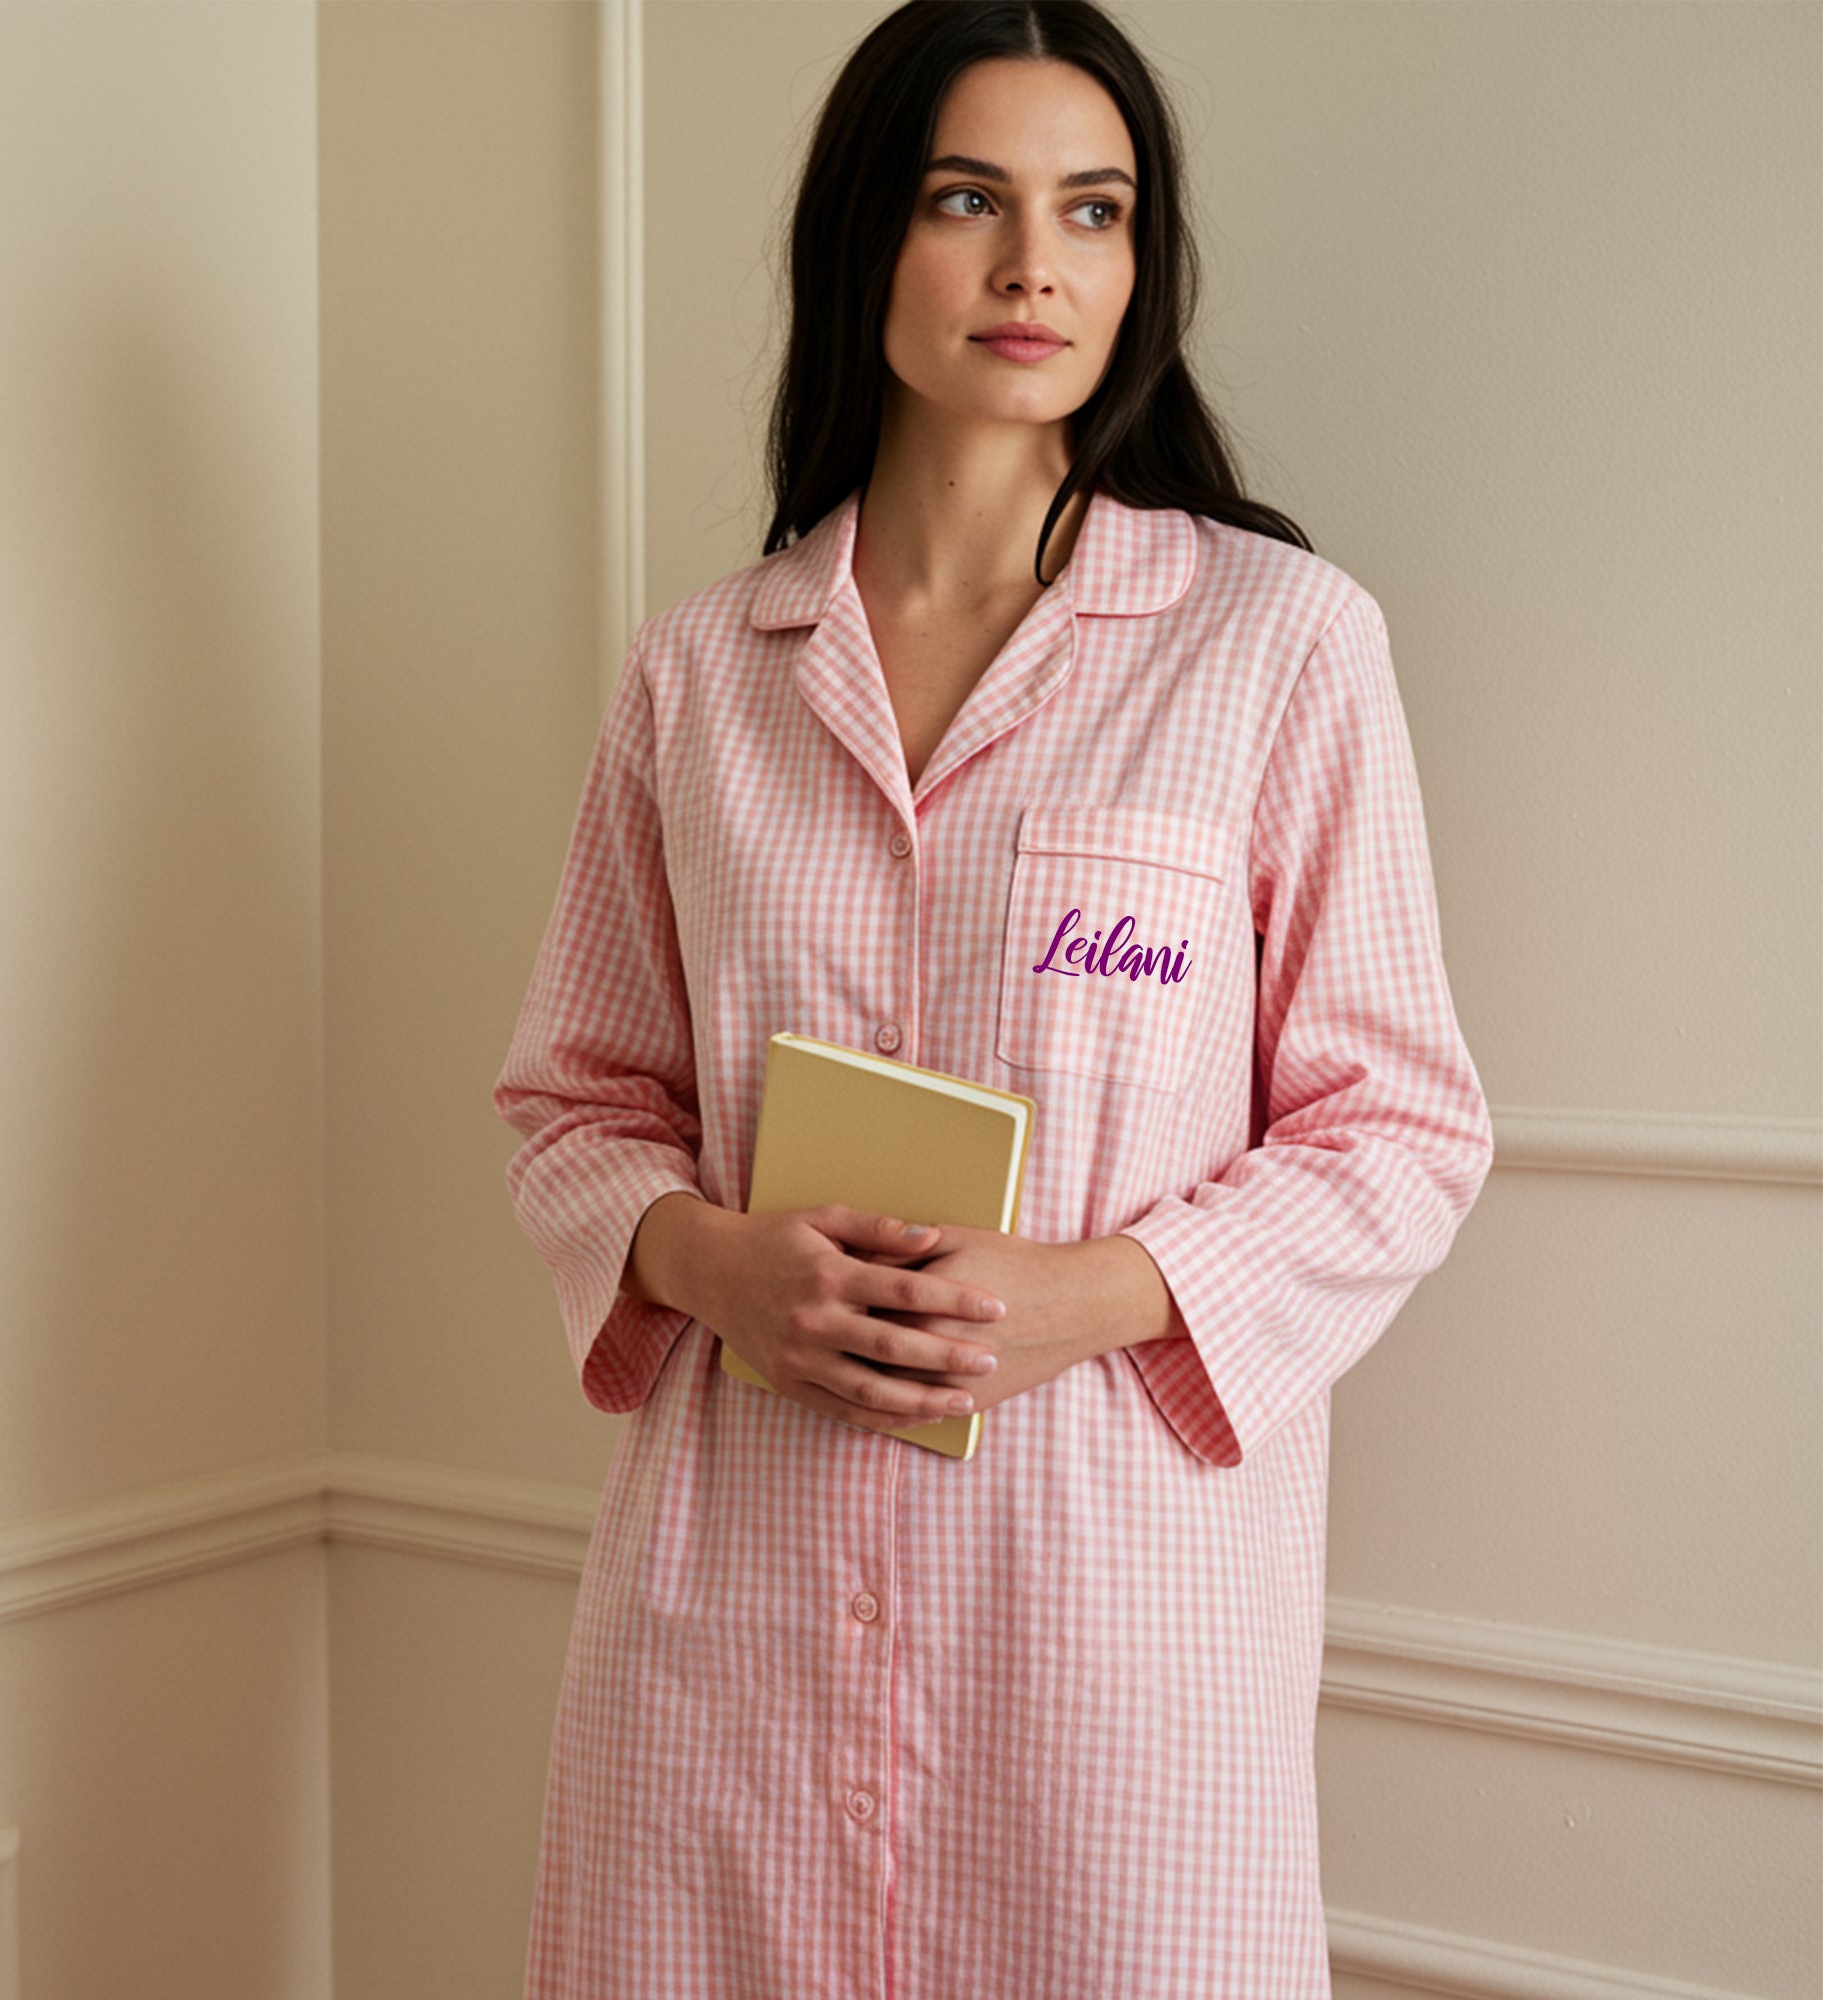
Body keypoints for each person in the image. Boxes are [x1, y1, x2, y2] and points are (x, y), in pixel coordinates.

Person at [493, 3, 1494, 1994]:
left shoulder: (1275, 647)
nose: (1038, 262)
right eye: (972, 198)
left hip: (1111, 1624)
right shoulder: (702, 678)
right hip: (729, 1621)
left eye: (1094, 209)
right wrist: (708, 1262)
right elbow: (573, 1102)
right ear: (870, 235)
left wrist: (1090, 1292)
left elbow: (1398, 1128)